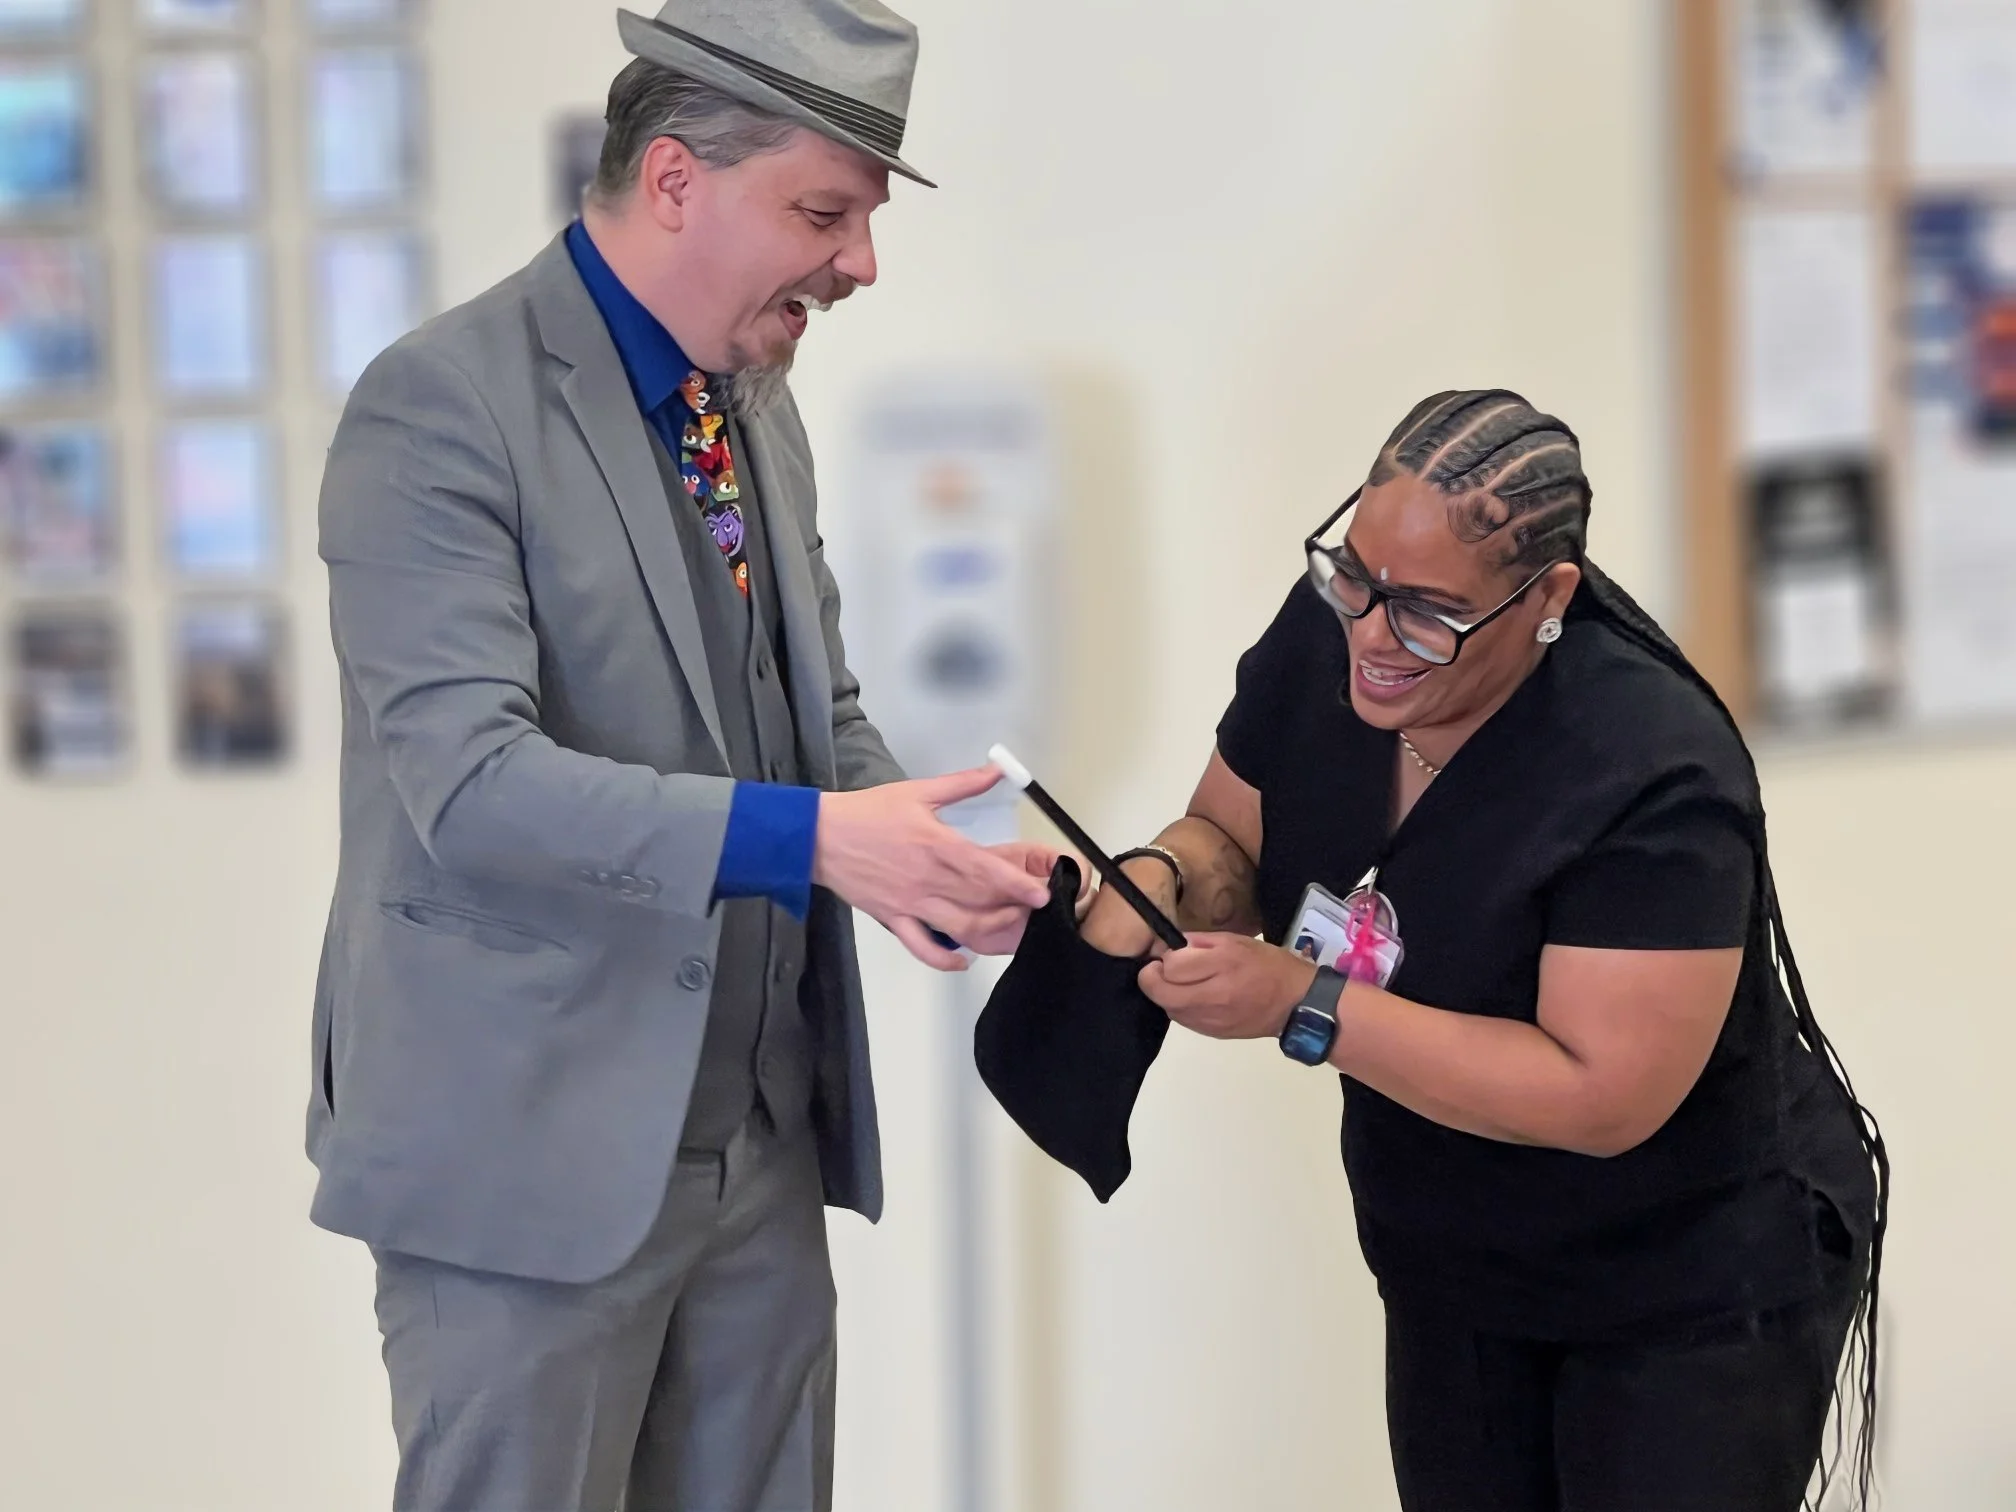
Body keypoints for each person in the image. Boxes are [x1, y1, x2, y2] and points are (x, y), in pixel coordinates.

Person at [305, 4, 1055, 1507]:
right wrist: (818, 842)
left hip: (756, 1155)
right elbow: (470, 788)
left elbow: (811, 716)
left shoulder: (753, 411)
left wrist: (942, 847)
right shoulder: (437, 408)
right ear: (671, 181)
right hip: (526, 1163)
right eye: (823, 212)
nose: (859, 263)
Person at [1077, 390, 1887, 1512]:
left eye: (1424, 612)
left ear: (1547, 597)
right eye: (1351, 576)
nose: (1369, 634)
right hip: (1457, 1251)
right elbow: (1228, 838)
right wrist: (1157, 876)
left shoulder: (1648, 768)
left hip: (1689, 1277)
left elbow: (1600, 1094)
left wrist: (1304, 1004)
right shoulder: (1337, 634)